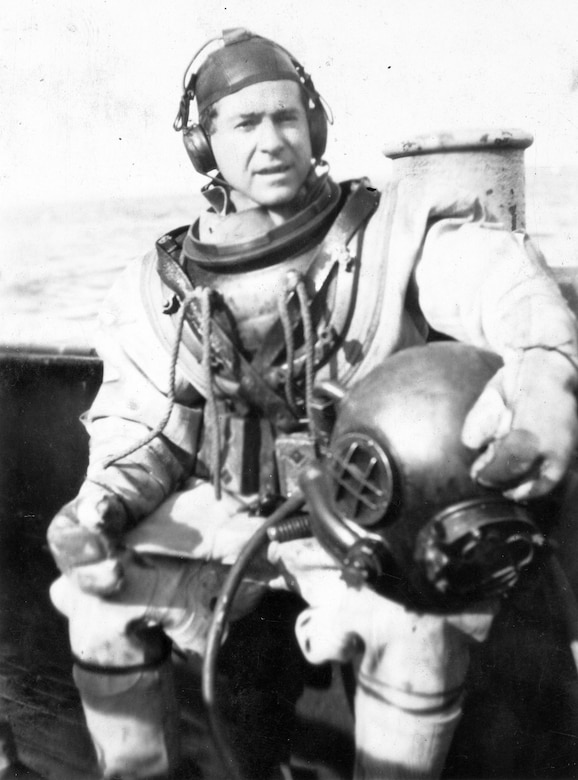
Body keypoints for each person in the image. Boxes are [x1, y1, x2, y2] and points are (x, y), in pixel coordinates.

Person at [46, 27, 578, 780]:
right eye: (245, 123)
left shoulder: (395, 231)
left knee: (417, 629)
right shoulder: (155, 286)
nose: (273, 141)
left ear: (315, 125)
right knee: (94, 599)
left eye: (287, 118)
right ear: (204, 145)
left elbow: (504, 283)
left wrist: (548, 367)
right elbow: (145, 429)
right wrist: (97, 507)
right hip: (222, 513)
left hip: (362, 516)